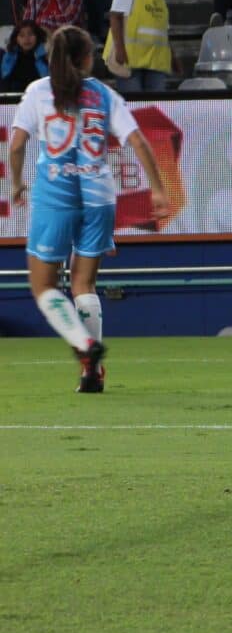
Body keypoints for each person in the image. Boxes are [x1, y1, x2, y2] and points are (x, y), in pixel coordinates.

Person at [9, 24, 172, 392]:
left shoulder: (38, 92)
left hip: (56, 198)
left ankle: (85, 347)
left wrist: (17, 183)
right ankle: (91, 374)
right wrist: (159, 191)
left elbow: (17, 144)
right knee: (84, 283)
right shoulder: (104, 94)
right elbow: (138, 141)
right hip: (99, 198)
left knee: (43, 286)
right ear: (85, 59)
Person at [103, 0, 172, 92]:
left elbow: (163, 30)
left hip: (155, 62)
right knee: (135, 106)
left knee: (155, 108)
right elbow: (115, 18)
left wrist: (173, 56)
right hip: (130, 60)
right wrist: (120, 50)